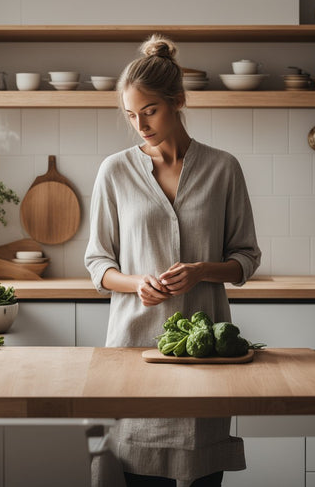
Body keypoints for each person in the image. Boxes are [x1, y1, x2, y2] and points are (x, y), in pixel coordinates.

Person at [85, 34, 261, 487]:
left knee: (202, 472)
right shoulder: (114, 171)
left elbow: (246, 257)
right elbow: (98, 262)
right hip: (134, 353)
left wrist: (203, 270)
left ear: (177, 101)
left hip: (207, 357)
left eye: (150, 111)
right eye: (131, 115)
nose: (140, 125)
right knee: (137, 471)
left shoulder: (224, 168)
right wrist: (135, 282)